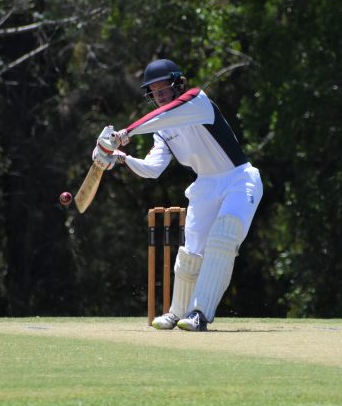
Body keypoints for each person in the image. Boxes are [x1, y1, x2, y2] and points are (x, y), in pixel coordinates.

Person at [91, 58, 263, 331]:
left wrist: (122, 134)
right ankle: (177, 312)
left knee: (223, 238)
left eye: (163, 88)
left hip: (239, 180)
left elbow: (165, 114)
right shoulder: (162, 130)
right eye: (154, 91)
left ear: (177, 84)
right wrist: (121, 157)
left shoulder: (197, 101)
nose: (159, 95)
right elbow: (153, 170)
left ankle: (199, 314)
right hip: (205, 186)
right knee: (191, 251)